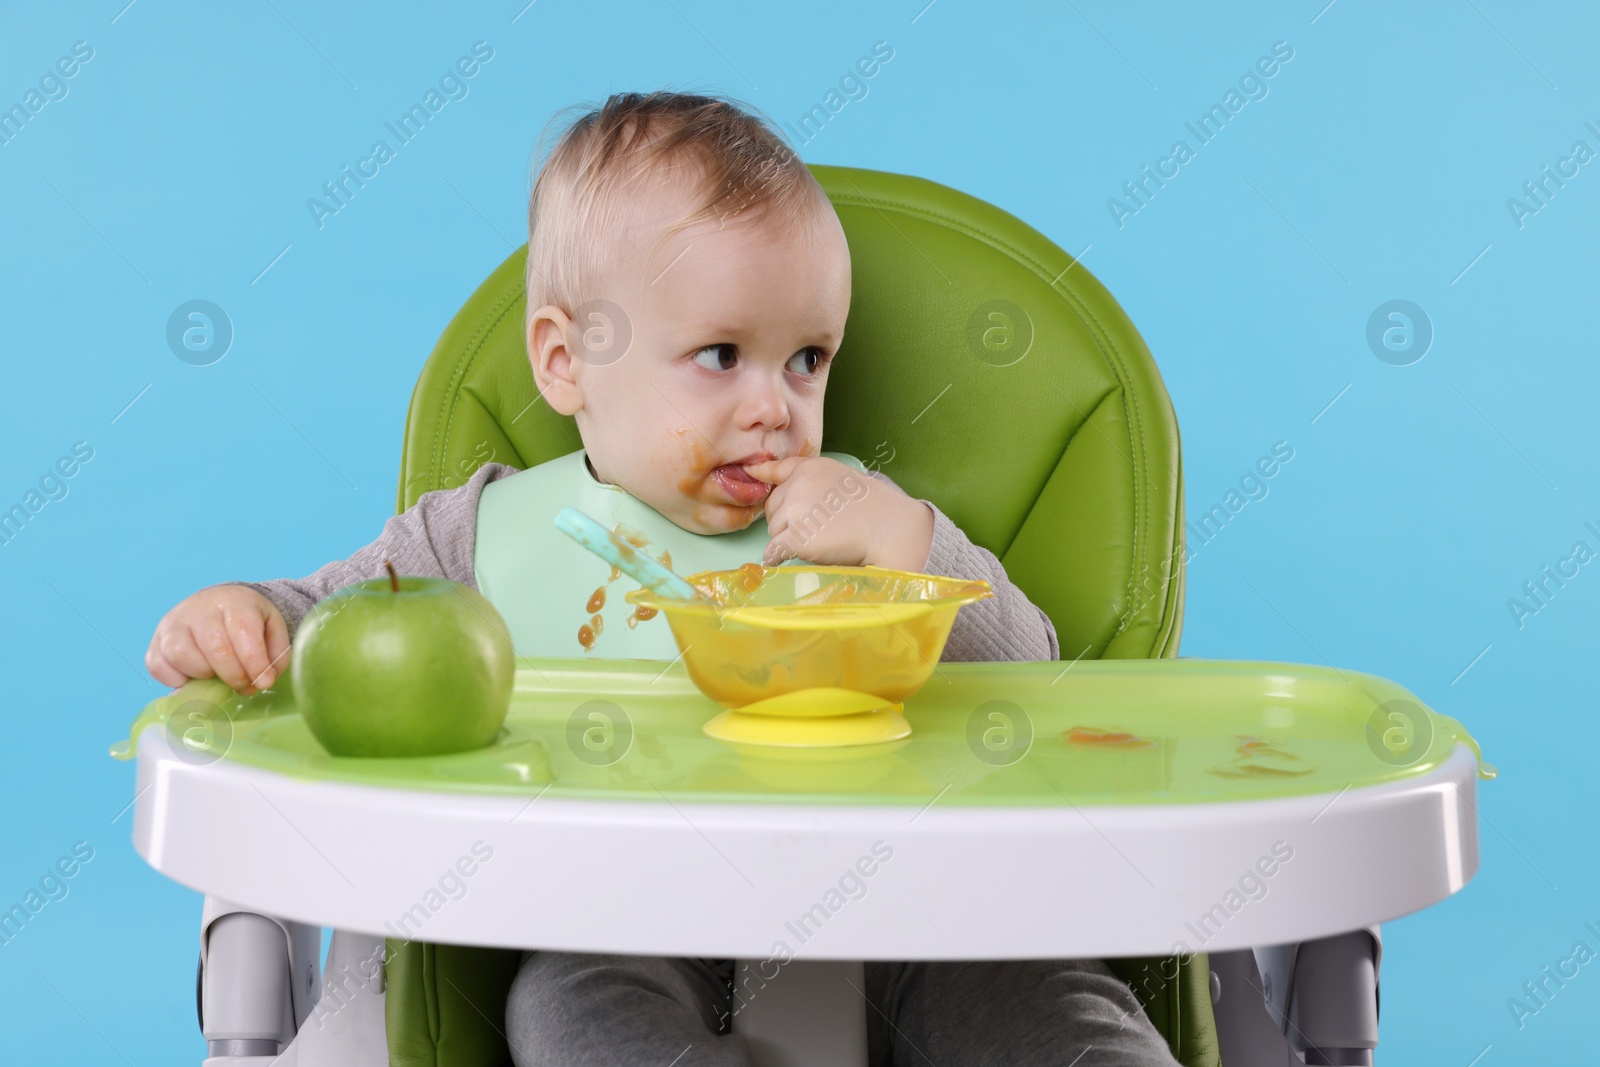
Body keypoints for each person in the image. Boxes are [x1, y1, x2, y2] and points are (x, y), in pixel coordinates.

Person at [145, 90, 1179, 1067]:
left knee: (1049, 997)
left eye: (808, 359)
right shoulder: (481, 535)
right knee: (562, 1004)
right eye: (721, 353)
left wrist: (911, 540)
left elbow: (1034, 678)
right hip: (608, 914)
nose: (776, 406)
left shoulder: (854, 522)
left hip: (898, 911)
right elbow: (335, 625)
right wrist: (248, 615)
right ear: (566, 361)